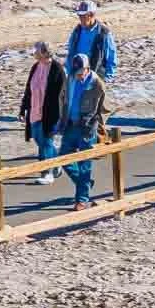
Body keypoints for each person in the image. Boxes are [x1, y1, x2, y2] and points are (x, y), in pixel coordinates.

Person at [59, 52, 108, 211]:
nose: (78, 76)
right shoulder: (70, 78)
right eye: (76, 72)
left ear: (87, 69)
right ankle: (84, 183)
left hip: (87, 128)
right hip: (70, 125)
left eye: (81, 73)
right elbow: (64, 100)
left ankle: (82, 199)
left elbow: (105, 108)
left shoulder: (97, 83)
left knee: (84, 164)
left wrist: (95, 123)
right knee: (63, 158)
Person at [17, 40, 64, 185]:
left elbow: (62, 95)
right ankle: (57, 163)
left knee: (45, 142)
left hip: (50, 113)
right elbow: (28, 89)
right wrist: (23, 108)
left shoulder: (57, 69)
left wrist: (59, 115)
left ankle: (46, 172)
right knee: (40, 140)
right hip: (35, 110)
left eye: (36, 50)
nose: (34, 53)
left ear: (44, 52)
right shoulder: (36, 67)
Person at [65, 0, 118, 80]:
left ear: (91, 15)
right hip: (77, 75)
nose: (80, 18)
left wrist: (108, 78)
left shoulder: (104, 33)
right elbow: (70, 53)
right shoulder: (77, 31)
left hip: (96, 77)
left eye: (83, 16)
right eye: (79, 16)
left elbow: (111, 58)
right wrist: (69, 74)